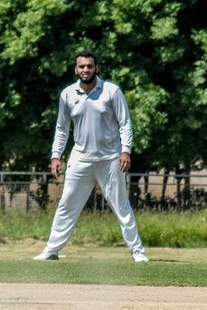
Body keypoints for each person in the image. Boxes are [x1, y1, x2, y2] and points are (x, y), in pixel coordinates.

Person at [33, 50, 147, 263]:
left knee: (121, 205)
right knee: (67, 203)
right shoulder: (67, 94)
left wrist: (125, 151)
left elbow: (125, 123)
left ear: (96, 68)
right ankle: (51, 250)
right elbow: (61, 128)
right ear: (76, 69)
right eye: (82, 66)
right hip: (80, 158)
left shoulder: (111, 91)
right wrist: (56, 155)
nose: (86, 70)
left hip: (110, 158)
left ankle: (137, 252)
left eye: (89, 66)